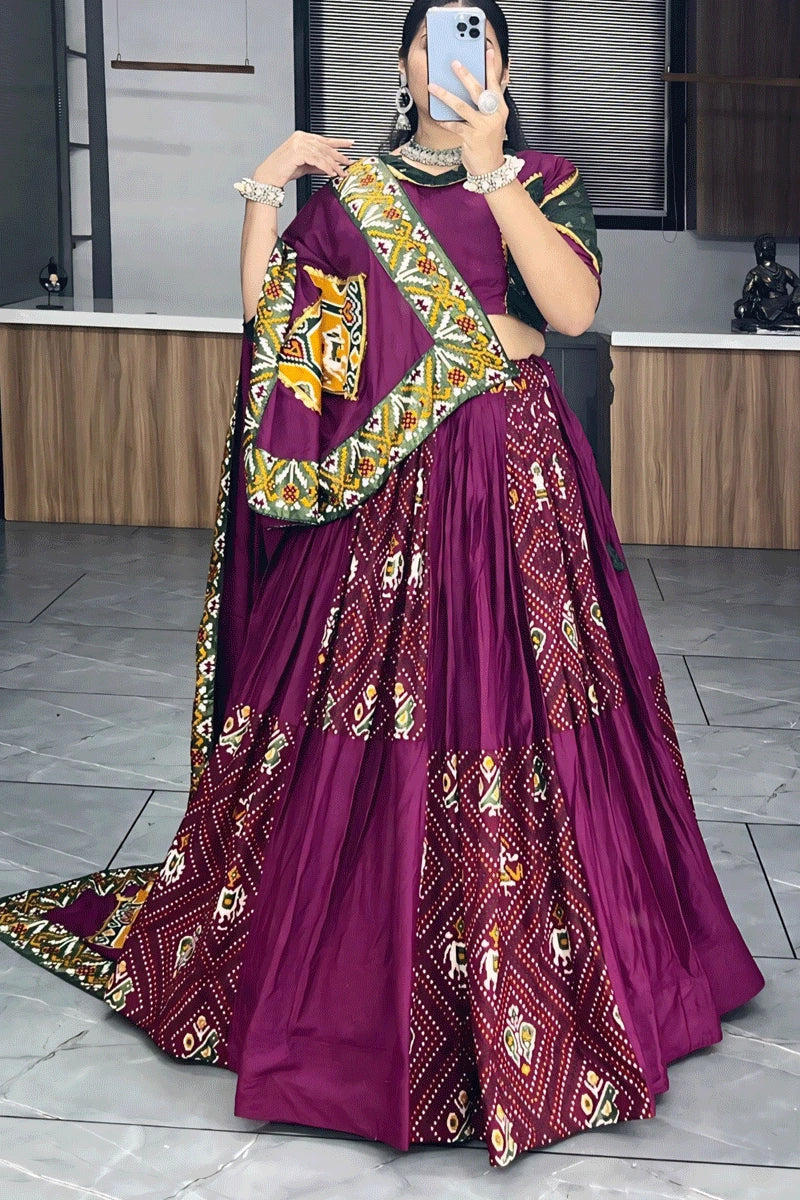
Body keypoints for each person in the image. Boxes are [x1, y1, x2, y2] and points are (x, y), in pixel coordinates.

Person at [0, 0, 764, 1171]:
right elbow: (280, 331)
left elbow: (567, 312)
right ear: (402, 63)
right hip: (383, 503)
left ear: (500, 63)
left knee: (523, 705)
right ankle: (356, 978)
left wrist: (492, 167)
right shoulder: (351, 198)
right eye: (436, 37)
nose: (459, 55)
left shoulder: (543, 179)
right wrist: (266, 184)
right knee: (370, 714)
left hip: (512, 482)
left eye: (479, 37)